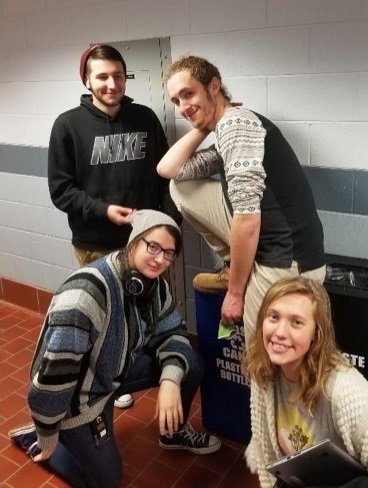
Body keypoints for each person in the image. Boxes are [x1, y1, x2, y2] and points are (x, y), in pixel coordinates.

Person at [8, 209, 221, 488]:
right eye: (153, 247)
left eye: (168, 253)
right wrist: (46, 434)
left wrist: (170, 380)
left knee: (190, 363)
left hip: (112, 372)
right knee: (108, 480)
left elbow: (172, 330)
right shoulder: (85, 296)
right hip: (77, 396)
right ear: (133, 242)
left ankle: (173, 432)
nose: (160, 259)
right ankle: (40, 436)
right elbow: (53, 379)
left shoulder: (152, 284)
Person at [48, 43, 181, 409]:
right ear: (88, 80)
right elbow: (61, 192)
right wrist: (104, 210)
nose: (111, 84)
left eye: (118, 76)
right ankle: (109, 381)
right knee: (107, 321)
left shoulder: (145, 118)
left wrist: (168, 224)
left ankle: (159, 373)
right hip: (96, 244)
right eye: (102, 76)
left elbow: (165, 177)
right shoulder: (68, 126)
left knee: (150, 313)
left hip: (146, 245)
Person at [157, 55, 325, 344]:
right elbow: (169, 170)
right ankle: (233, 262)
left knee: (265, 366)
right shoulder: (228, 129)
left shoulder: (237, 126)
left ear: (214, 86)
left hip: (286, 265)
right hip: (283, 254)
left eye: (188, 94)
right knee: (179, 187)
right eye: (176, 101)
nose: (183, 107)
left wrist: (235, 294)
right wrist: (202, 124)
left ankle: (234, 271)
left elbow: (247, 218)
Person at [242, 276, 368, 488]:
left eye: (297, 322)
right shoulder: (263, 371)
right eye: (273, 317)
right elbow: (267, 454)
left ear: (316, 334)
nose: (280, 332)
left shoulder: (346, 390)